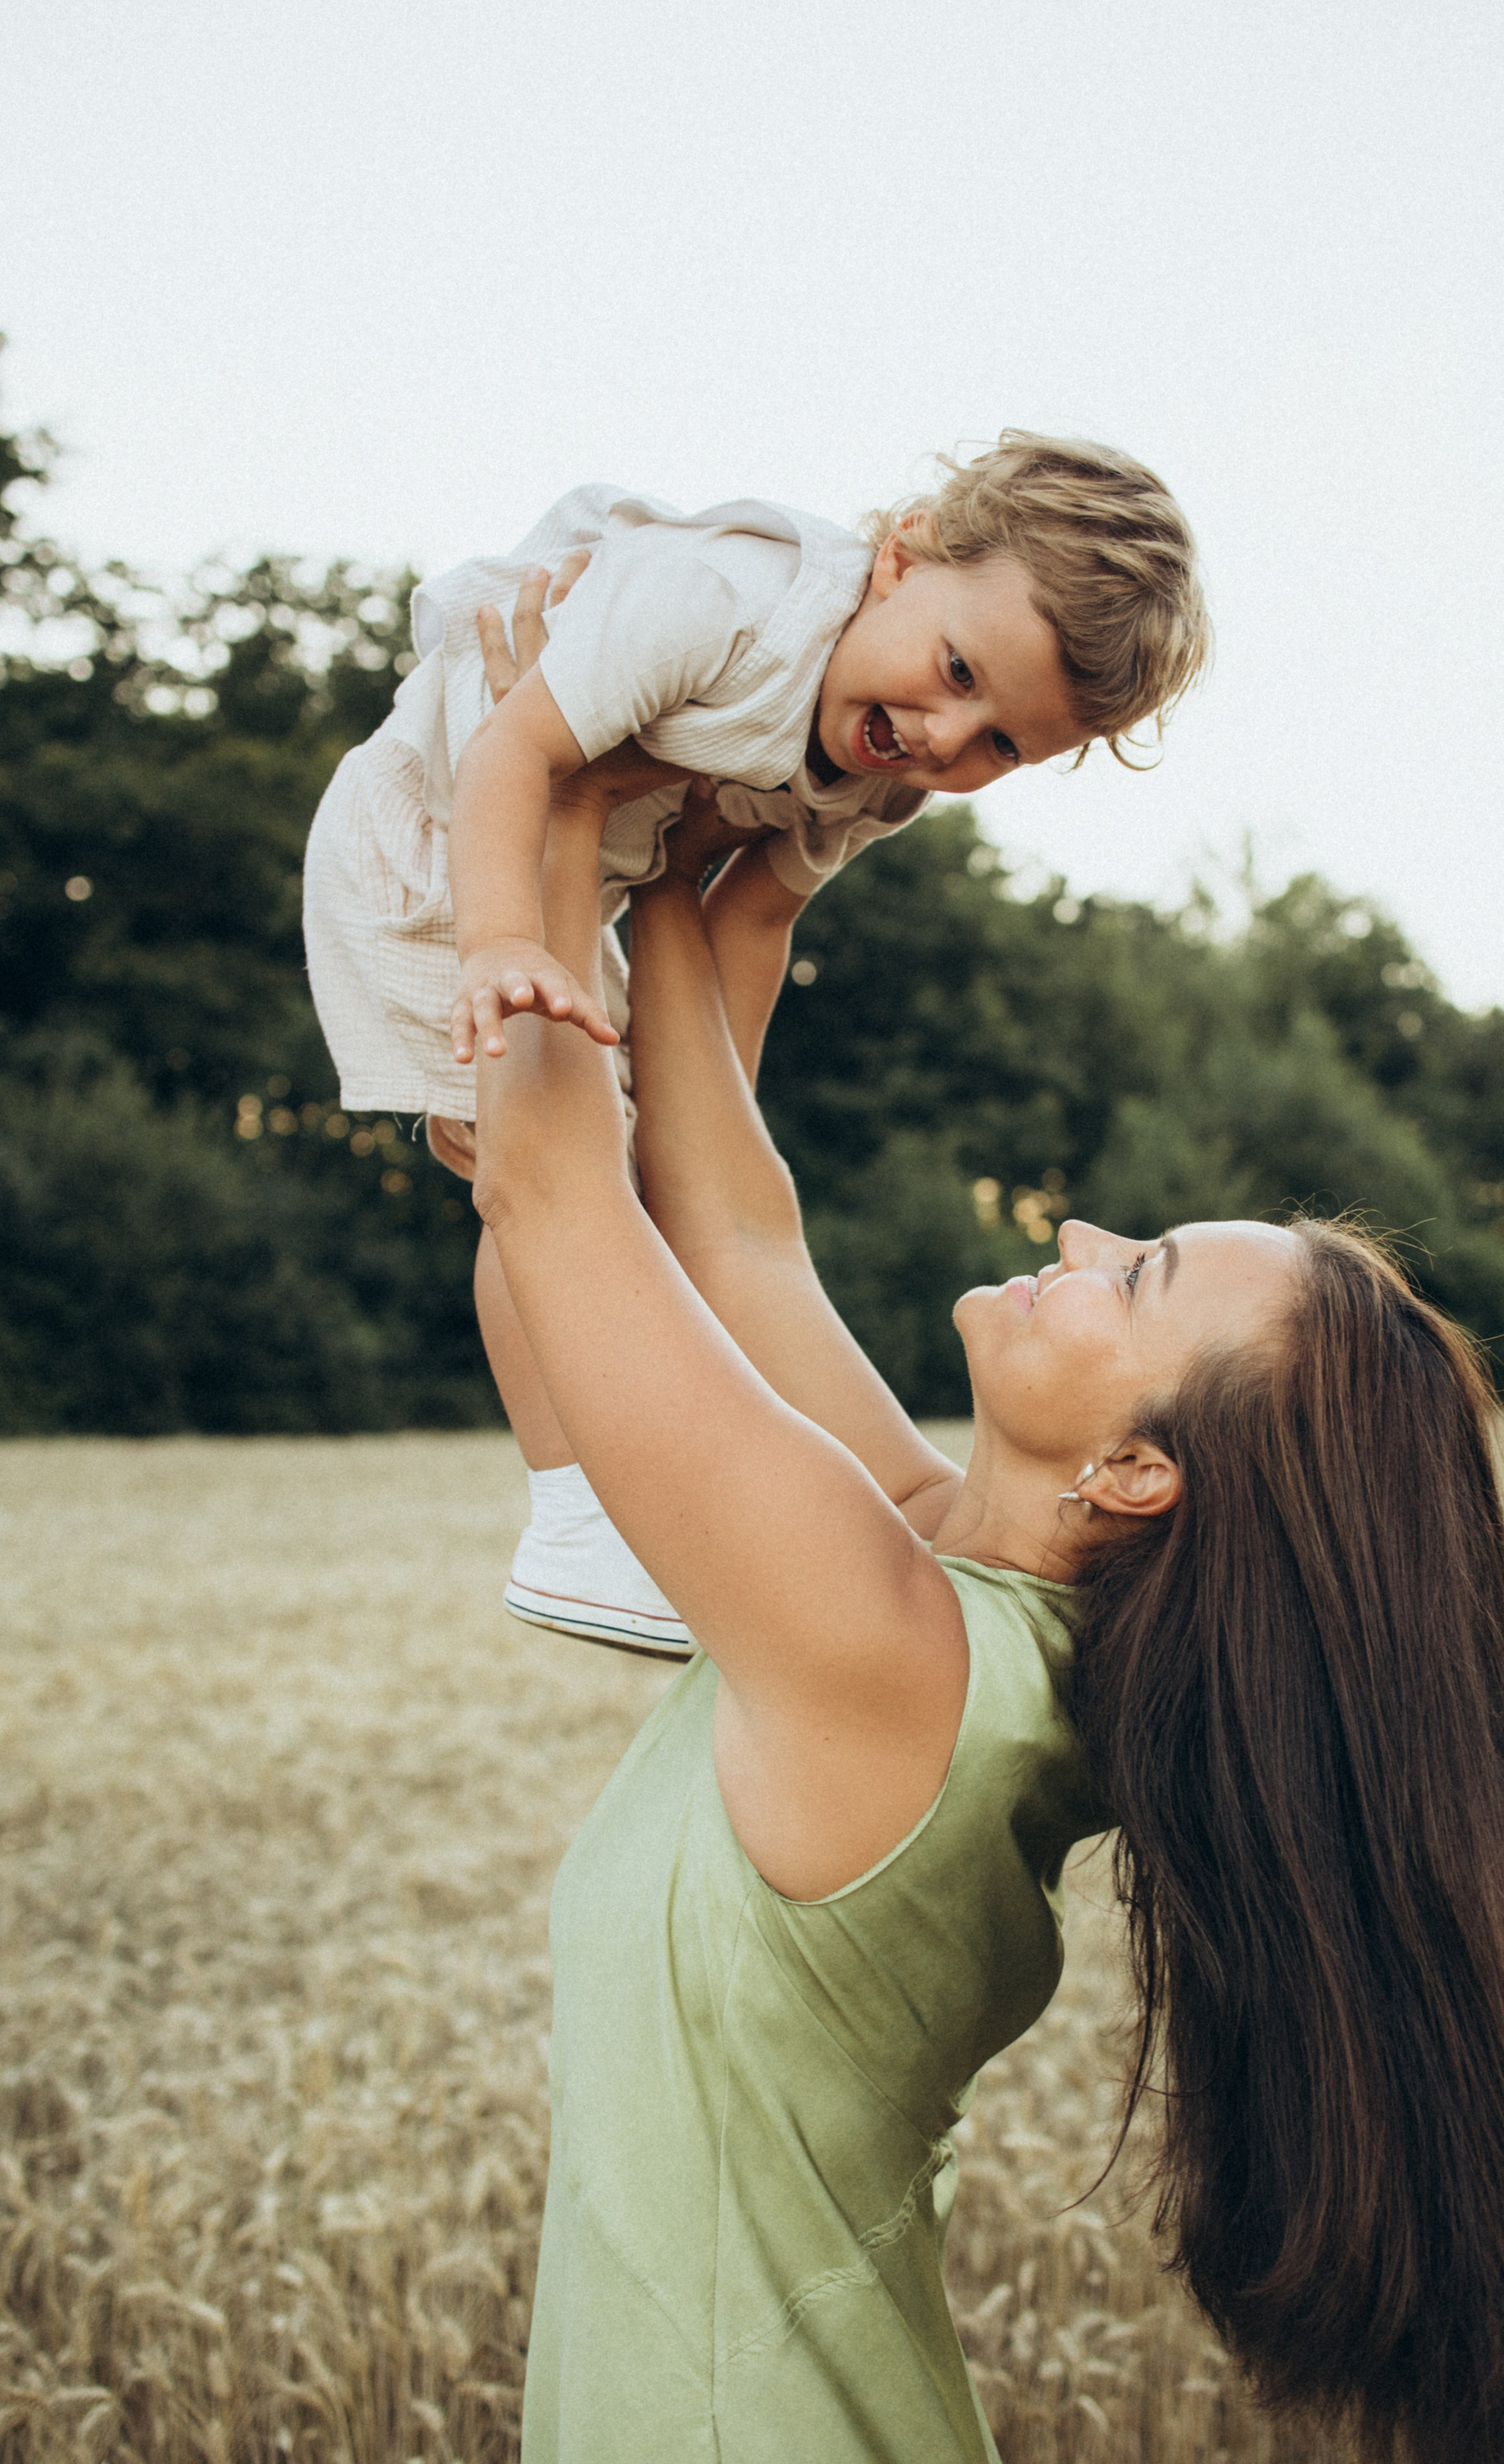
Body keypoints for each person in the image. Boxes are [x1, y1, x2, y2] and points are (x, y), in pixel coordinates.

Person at [472, 812, 1504, 2464]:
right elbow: (739, 1238)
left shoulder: (886, 1651)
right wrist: (710, 883)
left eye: (1141, 1272)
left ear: (1133, 1468)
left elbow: (560, 1198)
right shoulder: (963, 1610)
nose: (1084, 1230)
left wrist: (541, 801)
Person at [302, 432, 1209, 1655]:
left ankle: (601, 1492)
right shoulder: (723, 605)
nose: (947, 737)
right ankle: (576, 1507)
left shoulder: (885, 776)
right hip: (434, 845)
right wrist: (498, 945)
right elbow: (521, 749)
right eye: (956, 669)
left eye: (1002, 744)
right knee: (534, 1169)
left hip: (582, 874)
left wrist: (700, 1147)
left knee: (614, 1172)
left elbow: (756, 913)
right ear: (901, 557)